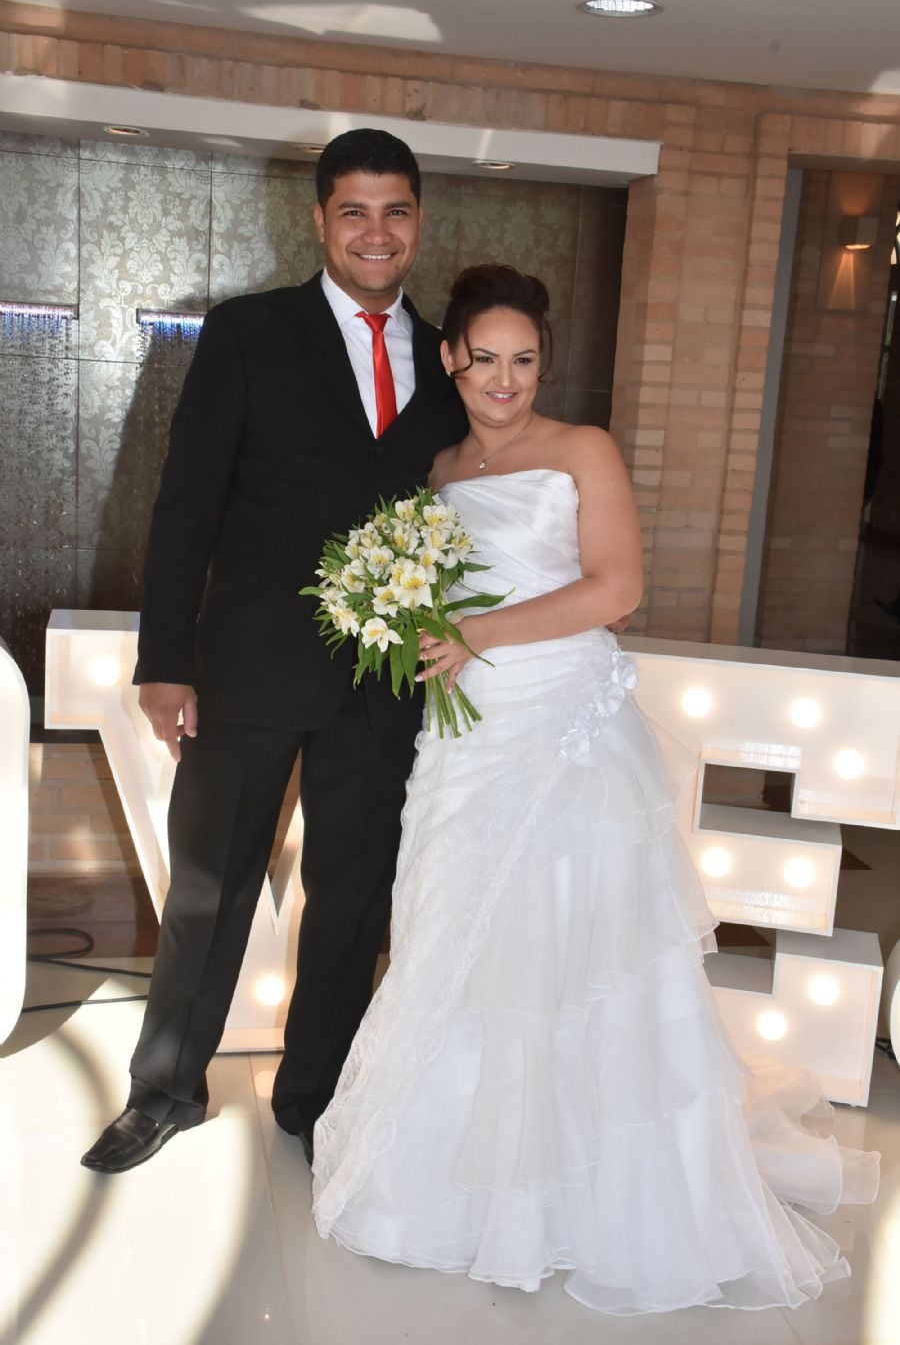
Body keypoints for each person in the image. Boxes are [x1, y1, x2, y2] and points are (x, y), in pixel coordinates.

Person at [311, 265, 880, 1313]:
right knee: (460, 935)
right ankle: (458, 1186)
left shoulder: (583, 449)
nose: (505, 380)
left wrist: (474, 631)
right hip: (467, 731)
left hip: (563, 724)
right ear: (452, 357)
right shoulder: (436, 469)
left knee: (576, 944)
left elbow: (618, 586)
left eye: (525, 360)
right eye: (486, 358)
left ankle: (598, 1191)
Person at [80, 128, 470, 1174]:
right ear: (320, 221)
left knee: (352, 899)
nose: (376, 232)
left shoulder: (449, 360)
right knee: (208, 889)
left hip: (382, 684)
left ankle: (315, 1099)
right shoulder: (249, 331)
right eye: (355, 211)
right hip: (247, 668)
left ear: (418, 221)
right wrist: (166, 658)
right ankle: (165, 1088)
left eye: (395, 211)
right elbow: (186, 503)